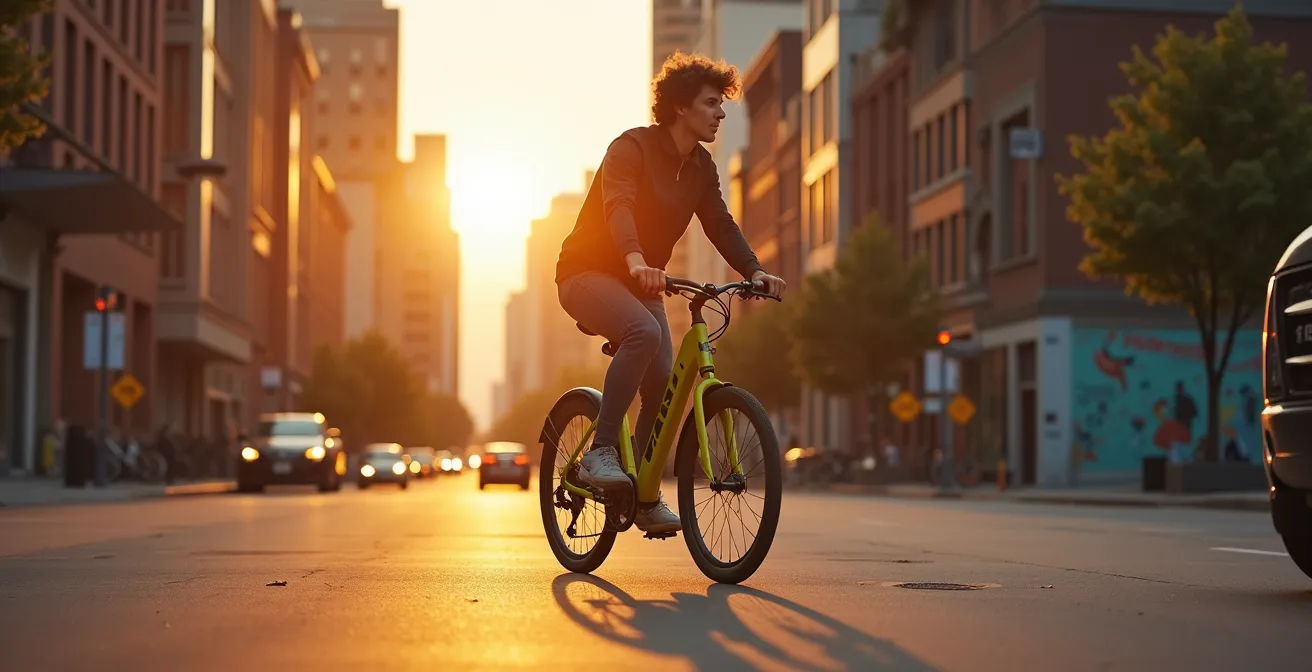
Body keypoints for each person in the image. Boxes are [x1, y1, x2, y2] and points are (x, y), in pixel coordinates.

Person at [554, 52, 787, 533]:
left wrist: (754, 270)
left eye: (722, 105)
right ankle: (600, 453)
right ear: (680, 107)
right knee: (643, 331)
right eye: (711, 103)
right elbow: (618, 205)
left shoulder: (701, 168)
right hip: (587, 273)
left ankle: (640, 491)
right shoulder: (631, 149)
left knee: (663, 379)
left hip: (643, 278)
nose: (721, 114)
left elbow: (720, 223)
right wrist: (636, 258)